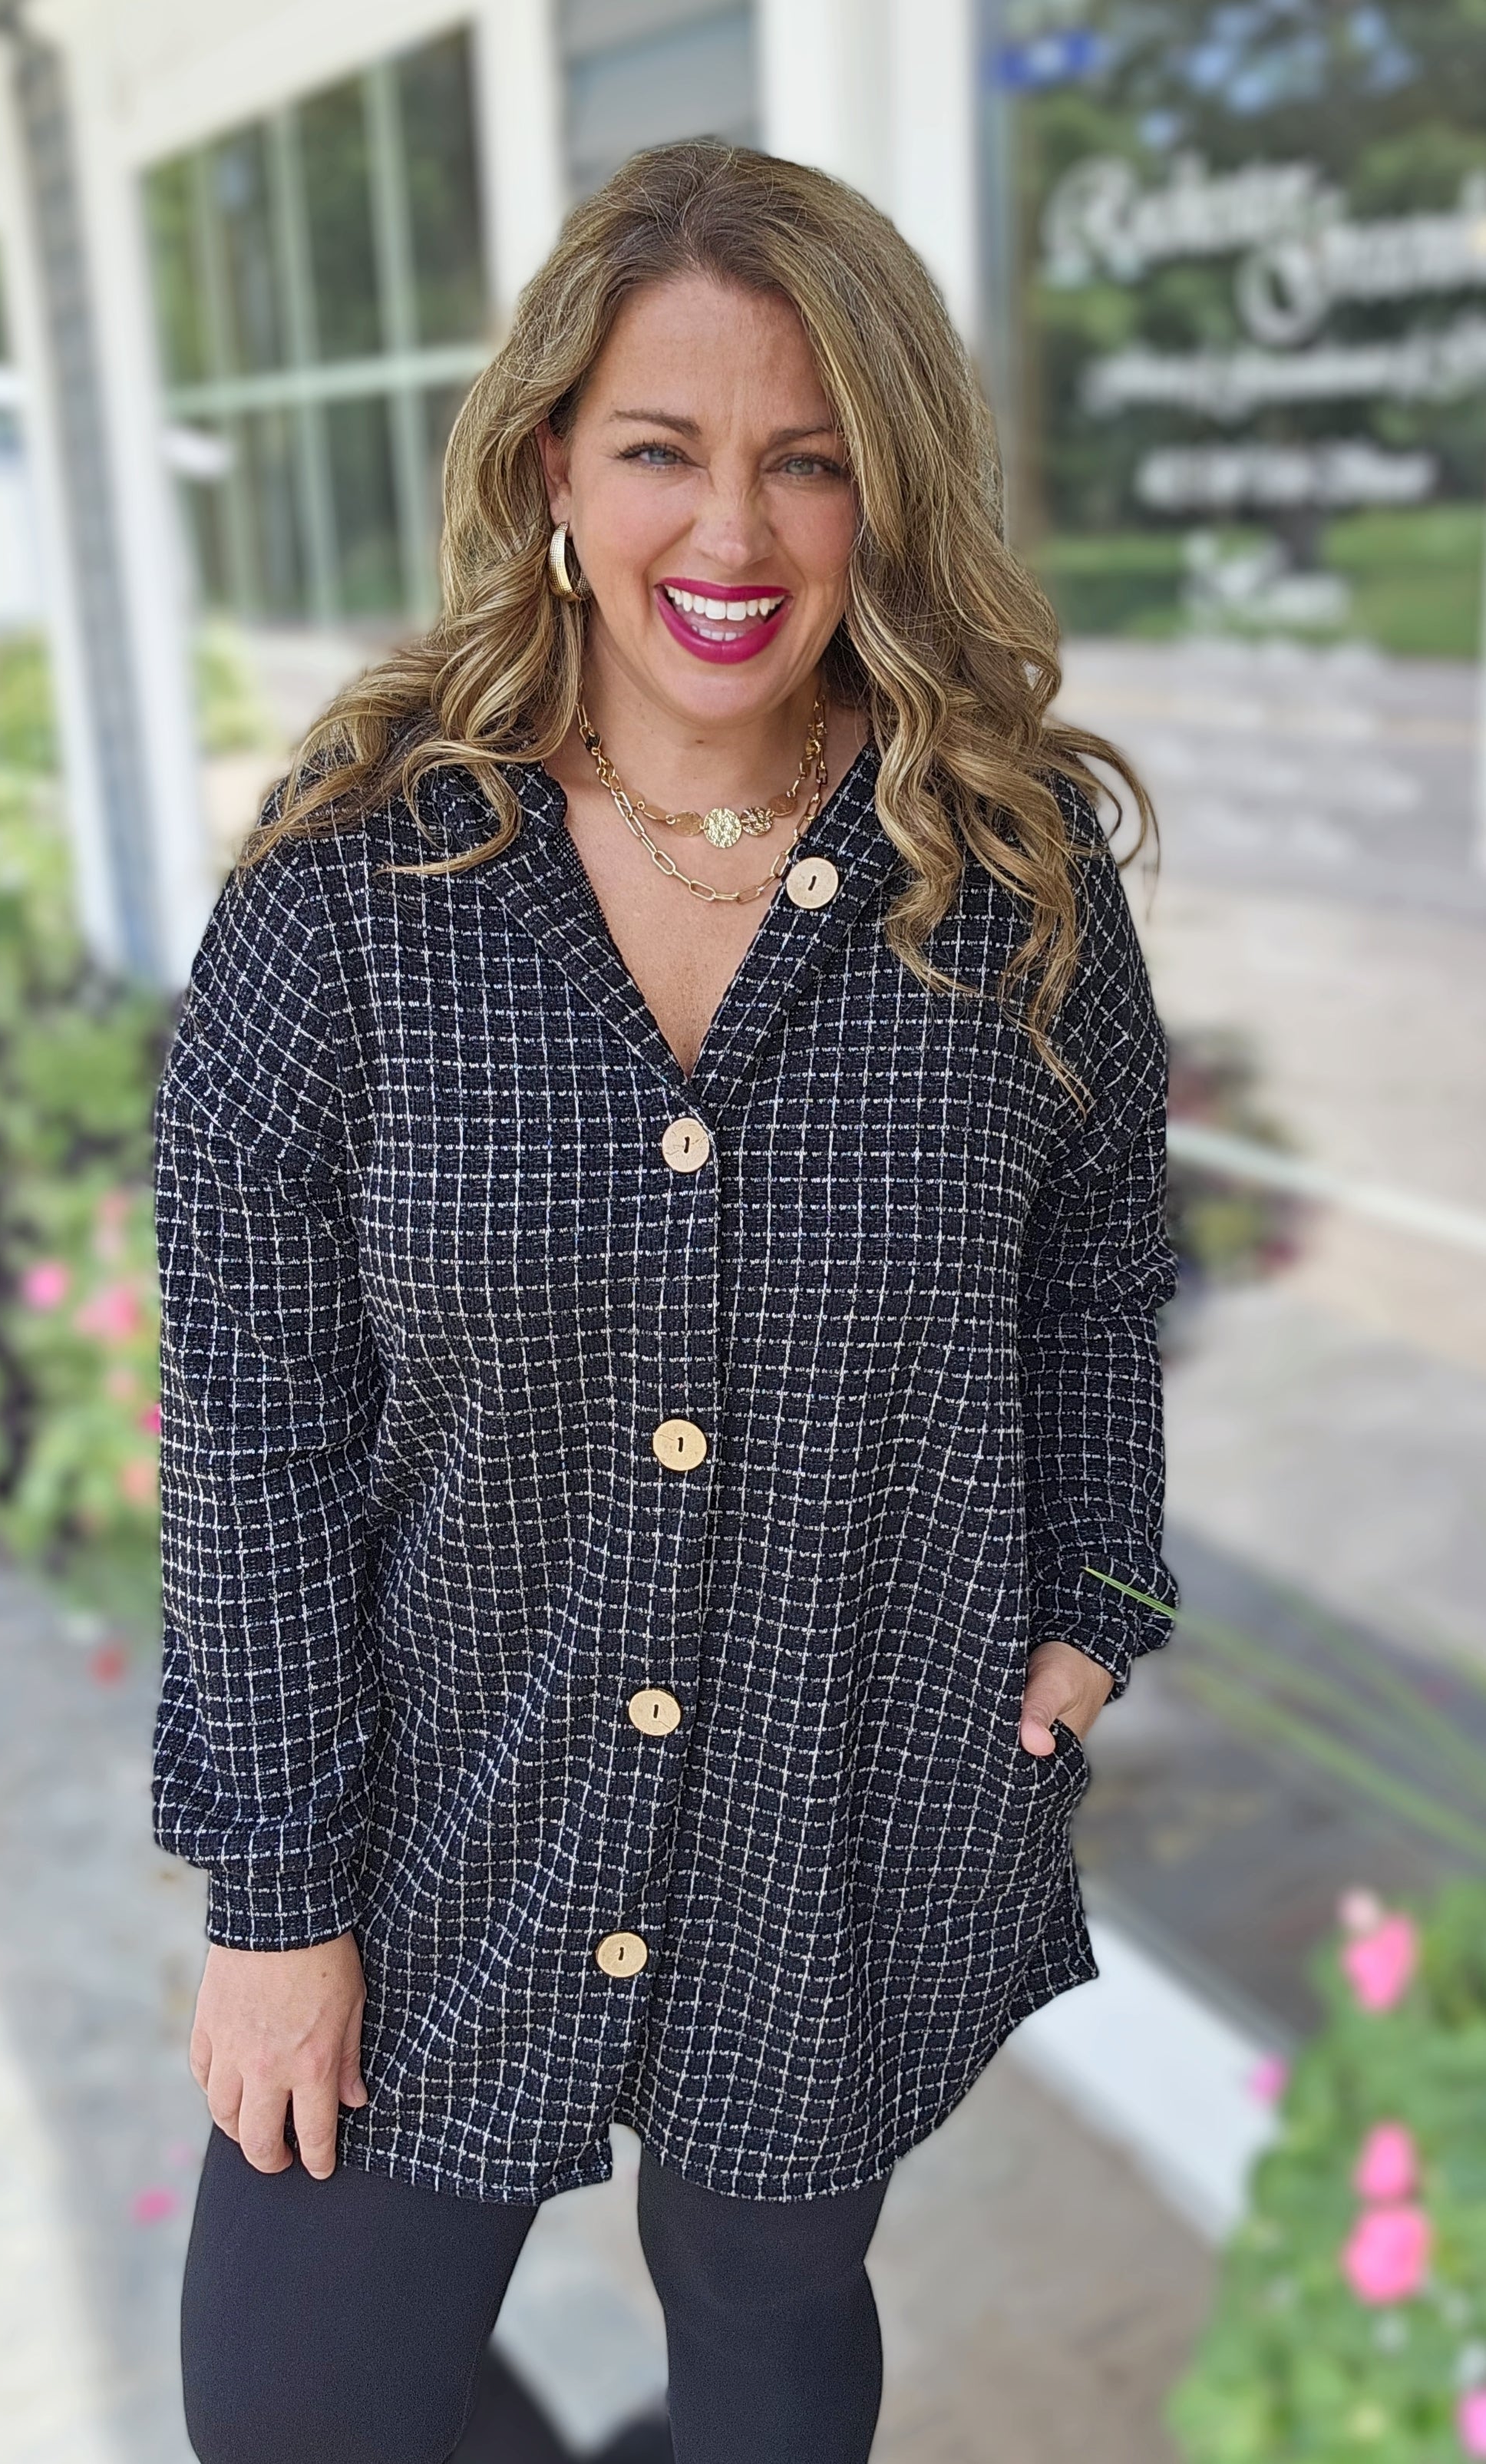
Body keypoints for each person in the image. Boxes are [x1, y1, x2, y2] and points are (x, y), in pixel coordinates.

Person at [152, 138, 1177, 2464]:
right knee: (297, 2412)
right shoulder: (355, 883)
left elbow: (1099, 1257)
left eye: (809, 460)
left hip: (851, 1777)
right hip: (438, 1805)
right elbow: (249, 1415)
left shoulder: (1007, 874)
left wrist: (1093, 1587)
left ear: (887, 491)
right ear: (548, 468)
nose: (734, 533)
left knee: (769, 2316)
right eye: (659, 451)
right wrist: (278, 1899)